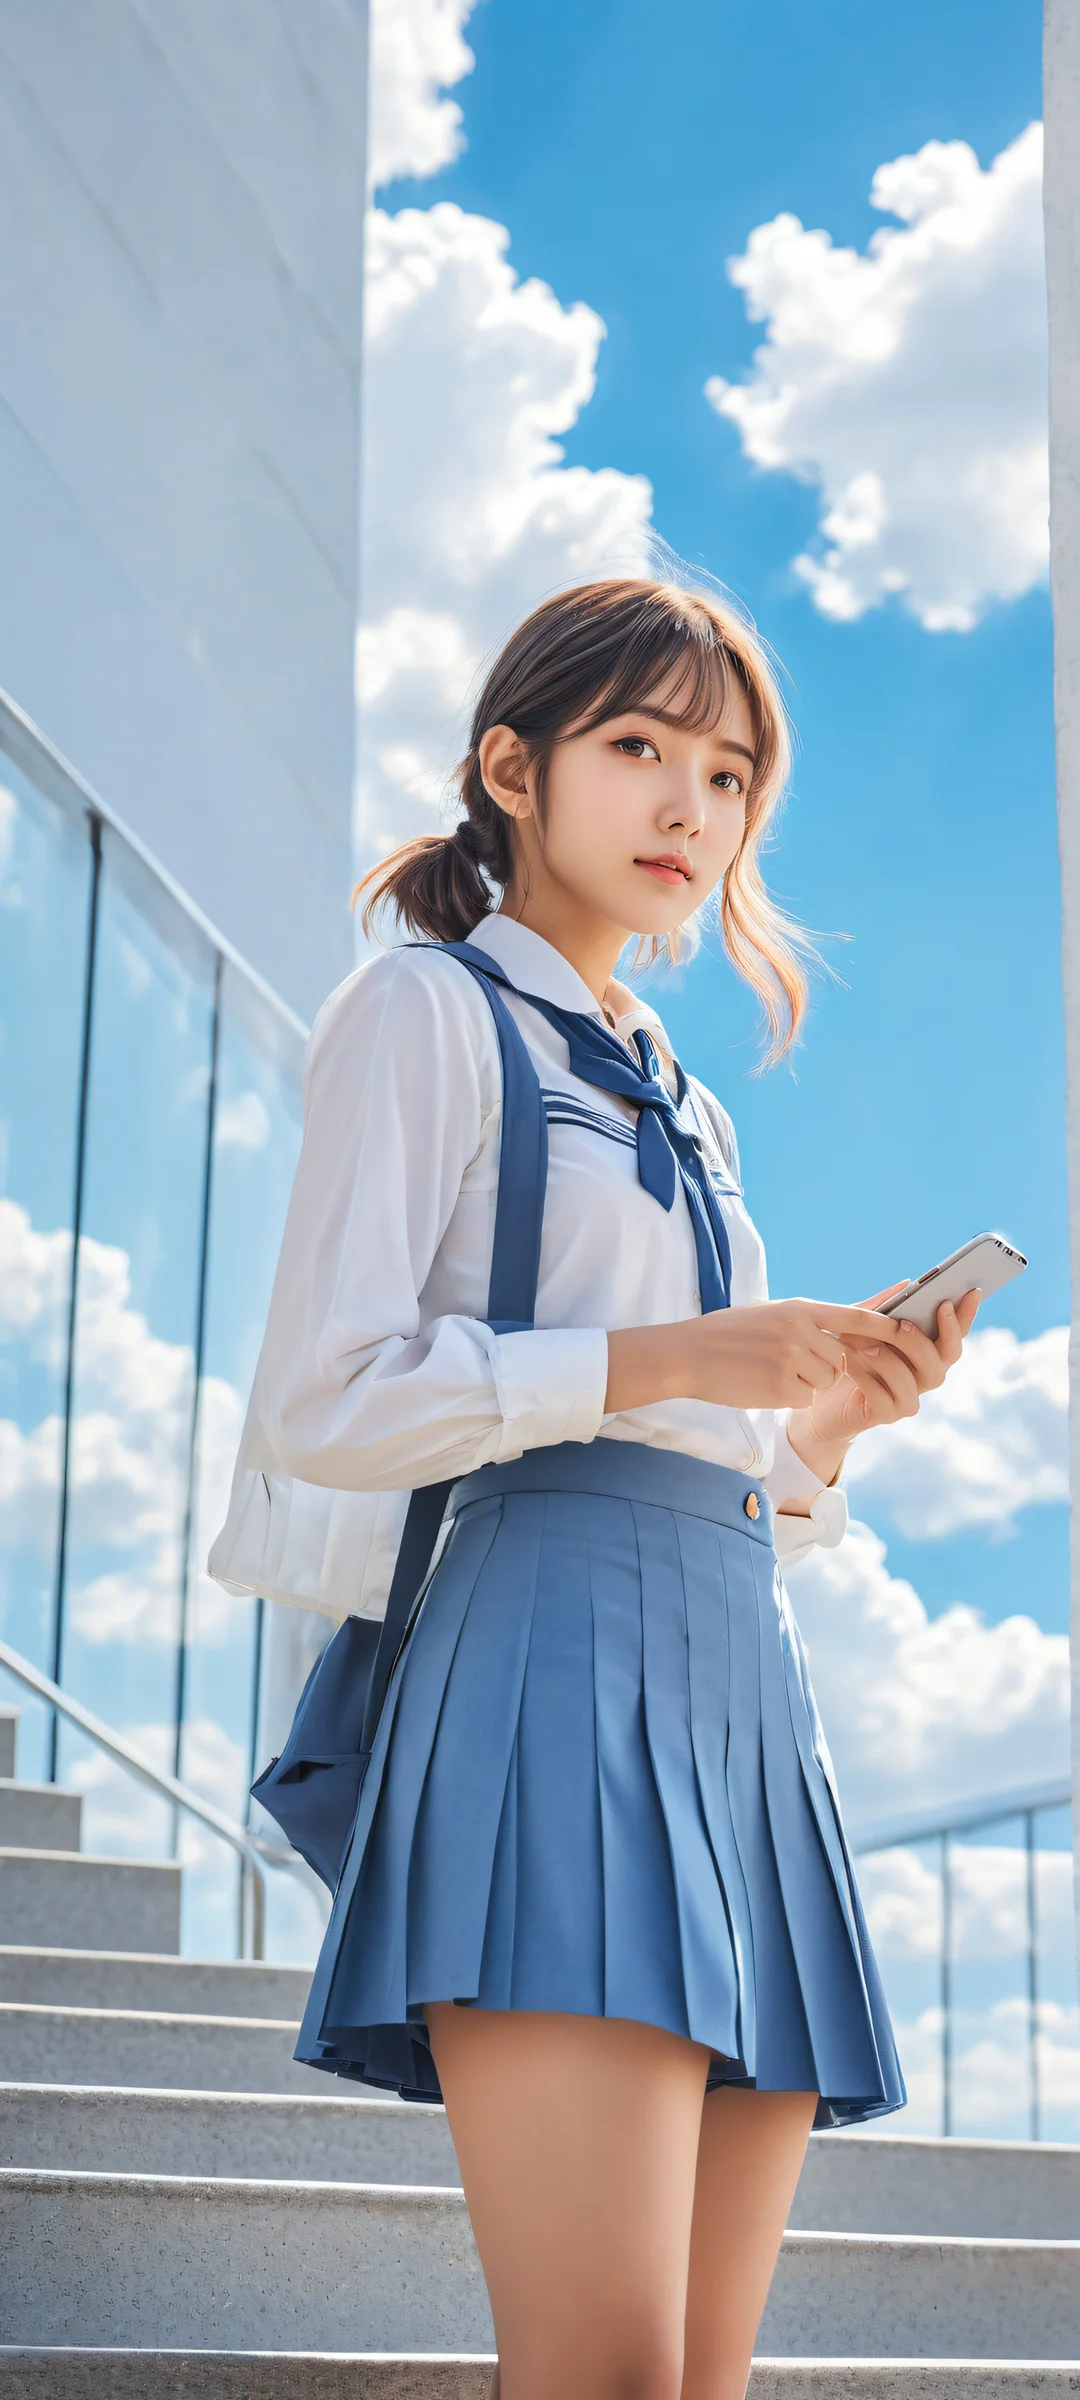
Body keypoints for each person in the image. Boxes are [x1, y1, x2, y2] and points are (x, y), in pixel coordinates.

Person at [210, 577, 980, 2400]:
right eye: (637, 748)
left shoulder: (686, 1102)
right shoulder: (428, 1012)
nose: (688, 809)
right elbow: (328, 1399)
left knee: (696, 2384)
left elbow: (699, 1456)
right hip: (549, 1659)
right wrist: (675, 1360)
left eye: (727, 775)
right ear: (513, 767)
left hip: (736, 1691)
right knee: (606, 2371)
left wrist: (830, 1428)